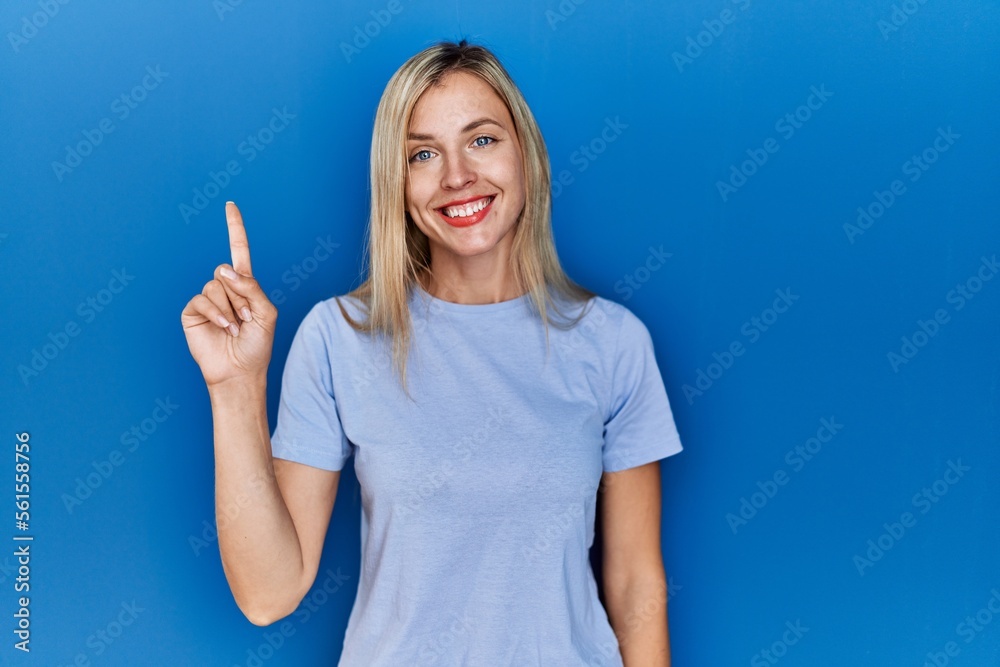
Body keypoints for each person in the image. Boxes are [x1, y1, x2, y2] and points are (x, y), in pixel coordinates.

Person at [180, 39, 683, 666]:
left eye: (482, 139)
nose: (456, 176)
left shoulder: (614, 343)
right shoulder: (339, 337)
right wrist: (235, 387)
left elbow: (637, 582)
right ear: (398, 181)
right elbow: (268, 594)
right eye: (423, 153)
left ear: (525, 152)